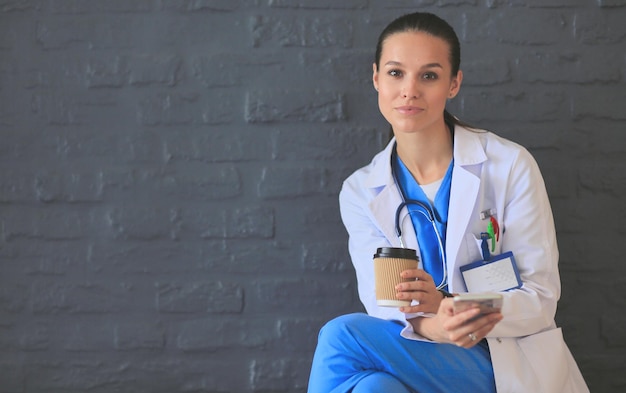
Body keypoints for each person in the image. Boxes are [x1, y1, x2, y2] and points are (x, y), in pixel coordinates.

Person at [307, 11, 589, 393]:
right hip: (418, 348)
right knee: (374, 389)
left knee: (341, 336)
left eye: (429, 75)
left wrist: (452, 306)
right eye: (395, 73)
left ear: (453, 83)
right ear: (375, 78)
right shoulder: (361, 190)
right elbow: (382, 302)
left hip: (502, 359)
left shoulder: (509, 166)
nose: (409, 90)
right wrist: (429, 324)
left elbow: (539, 298)